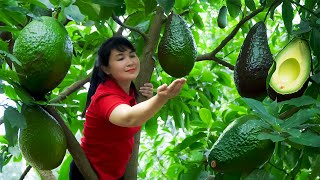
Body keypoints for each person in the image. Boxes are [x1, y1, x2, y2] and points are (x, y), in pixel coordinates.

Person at [69, 36, 186, 180]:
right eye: (120, 58)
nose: (130, 62)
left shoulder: (128, 92)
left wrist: (147, 100)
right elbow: (129, 118)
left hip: (115, 173)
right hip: (88, 173)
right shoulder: (104, 96)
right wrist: (161, 98)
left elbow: (130, 117)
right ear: (106, 69)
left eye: (132, 55)